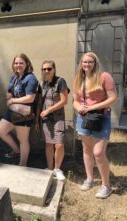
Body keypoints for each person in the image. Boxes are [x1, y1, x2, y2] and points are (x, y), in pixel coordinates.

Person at [73, 52, 117, 199]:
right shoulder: (79, 78)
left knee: (98, 152)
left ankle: (106, 186)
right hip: (83, 117)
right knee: (86, 148)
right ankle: (90, 178)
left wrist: (92, 107)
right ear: (81, 63)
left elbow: (112, 98)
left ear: (95, 63)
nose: (87, 64)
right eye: (84, 62)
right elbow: (75, 100)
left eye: (90, 62)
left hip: (101, 117)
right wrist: (78, 107)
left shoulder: (104, 77)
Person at [0, 53, 38, 166]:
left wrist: (13, 101)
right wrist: (9, 96)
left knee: (23, 140)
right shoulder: (14, 76)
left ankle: (22, 164)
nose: (18, 65)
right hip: (12, 111)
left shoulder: (30, 78)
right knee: (0, 130)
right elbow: (9, 91)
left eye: (21, 63)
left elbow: (30, 98)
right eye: (16, 63)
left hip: (23, 113)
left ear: (27, 64)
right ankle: (16, 151)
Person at [35, 60, 69, 181]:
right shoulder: (42, 83)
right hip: (45, 118)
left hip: (58, 117)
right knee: (48, 144)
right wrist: (36, 120)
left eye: (49, 69)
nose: (46, 71)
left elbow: (64, 100)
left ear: (54, 69)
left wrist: (49, 110)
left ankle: (57, 169)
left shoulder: (60, 81)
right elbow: (39, 102)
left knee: (59, 144)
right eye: (44, 69)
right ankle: (49, 168)